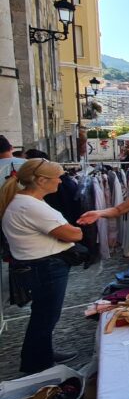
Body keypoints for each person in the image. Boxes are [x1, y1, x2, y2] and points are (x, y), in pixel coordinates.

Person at [0, 159, 83, 373]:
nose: (60, 181)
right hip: (44, 267)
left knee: (43, 315)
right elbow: (72, 233)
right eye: (57, 177)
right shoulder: (30, 206)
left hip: (39, 265)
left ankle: (40, 354)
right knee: (45, 316)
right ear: (41, 180)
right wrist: (76, 232)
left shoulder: (25, 202)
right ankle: (38, 365)